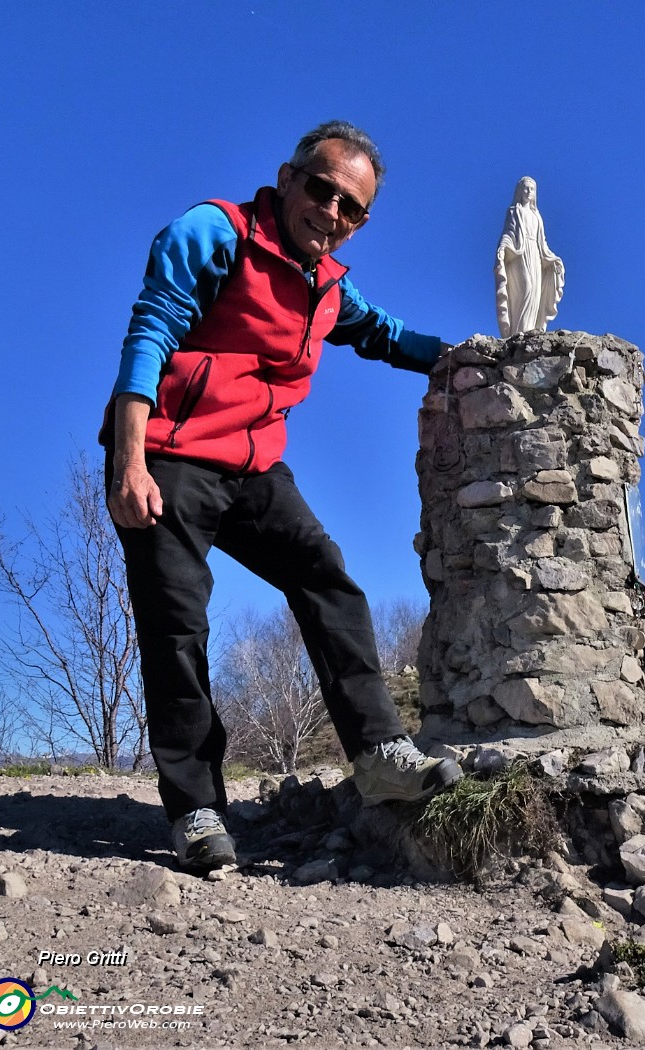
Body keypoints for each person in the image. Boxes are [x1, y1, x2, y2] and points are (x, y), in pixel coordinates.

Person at [100, 121, 461, 875]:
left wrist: (462, 357)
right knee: (176, 624)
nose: (330, 212)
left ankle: (378, 753)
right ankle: (195, 808)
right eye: (321, 190)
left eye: (350, 208)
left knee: (326, 578)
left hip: (253, 467)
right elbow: (149, 332)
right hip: (169, 453)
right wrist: (128, 462)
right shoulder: (216, 232)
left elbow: (381, 333)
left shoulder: (327, 284)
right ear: (288, 178)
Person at [494, 176, 565, 337]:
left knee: (534, 293)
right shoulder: (514, 211)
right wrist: (503, 247)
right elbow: (508, 233)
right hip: (520, 254)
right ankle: (517, 333)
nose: (528, 192)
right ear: (519, 191)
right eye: (525, 188)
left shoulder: (537, 217)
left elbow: (542, 243)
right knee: (525, 290)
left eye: (532, 189)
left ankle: (529, 331)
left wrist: (552, 259)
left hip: (535, 256)